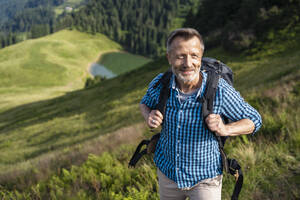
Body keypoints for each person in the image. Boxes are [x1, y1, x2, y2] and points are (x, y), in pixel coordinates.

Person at [139, 28, 262, 200]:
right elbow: (144, 103)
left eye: (194, 55)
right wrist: (148, 116)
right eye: (180, 55)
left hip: (205, 178)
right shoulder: (161, 84)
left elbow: (255, 120)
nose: (188, 63)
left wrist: (225, 129)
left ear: (201, 56)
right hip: (167, 173)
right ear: (169, 58)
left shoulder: (219, 90)